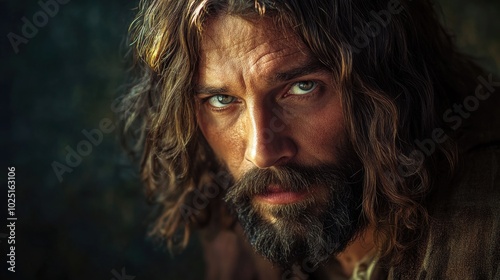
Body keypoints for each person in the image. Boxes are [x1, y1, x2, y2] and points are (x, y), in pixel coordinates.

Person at [121, 0, 500, 279]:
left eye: (302, 88)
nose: (262, 152)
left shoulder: (486, 229)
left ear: (388, 85)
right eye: (222, 100)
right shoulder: (245, 222)